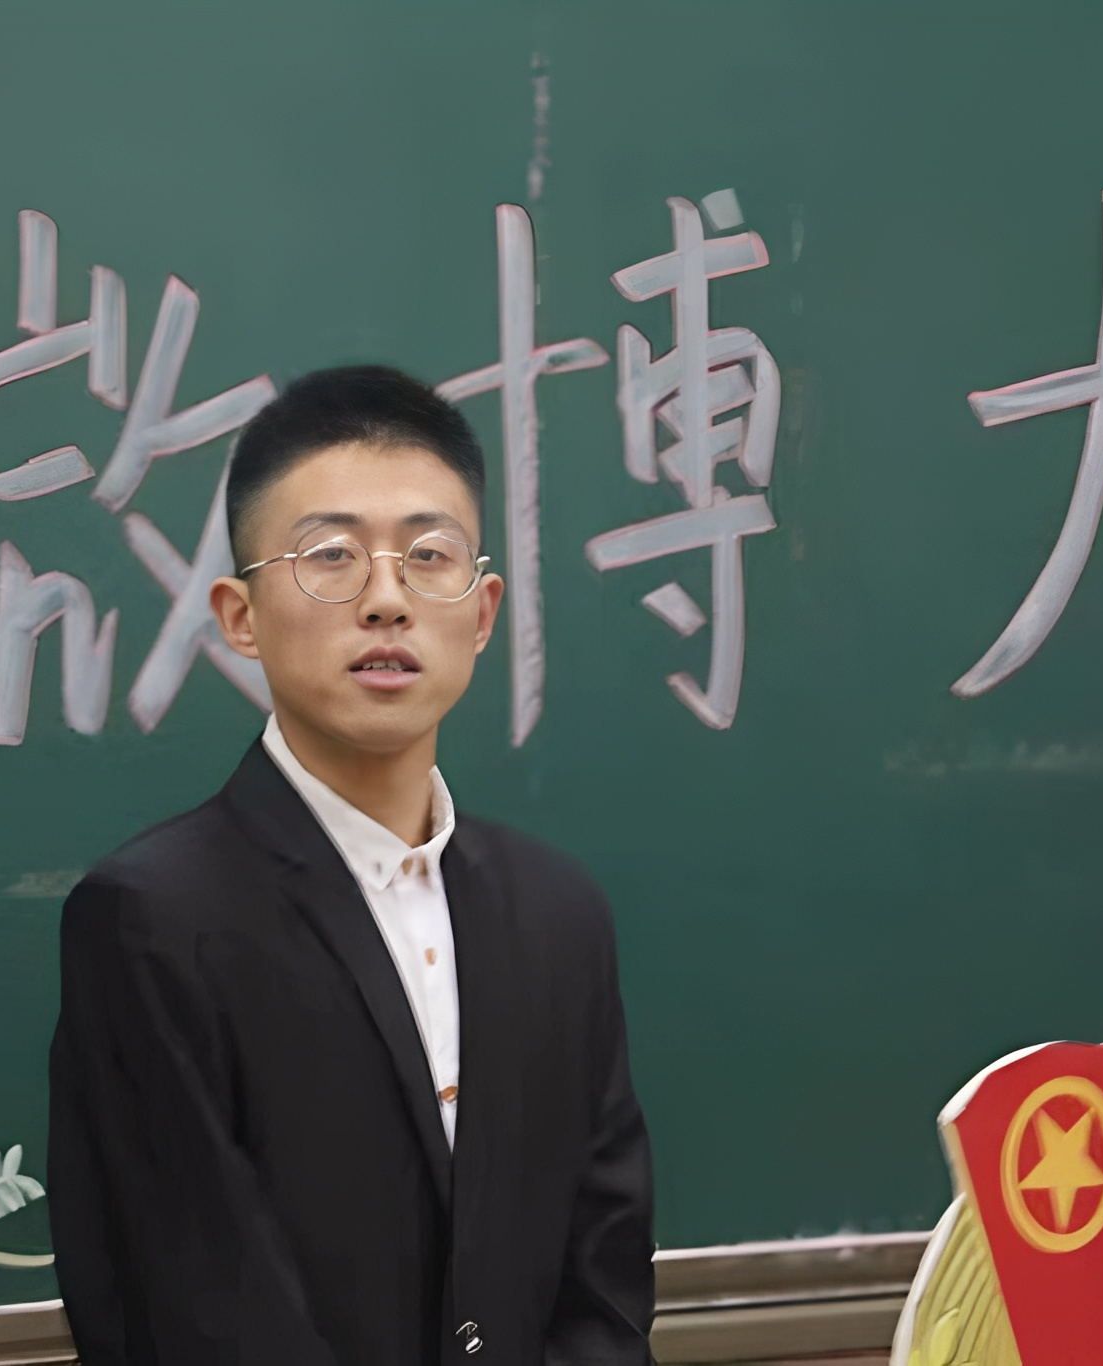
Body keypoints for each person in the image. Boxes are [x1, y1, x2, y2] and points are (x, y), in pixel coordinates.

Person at [47, 365, 655, 1366]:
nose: (385, 599)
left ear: (483, 611)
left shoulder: (558, 913)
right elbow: (192, 1312)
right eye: (330, 555)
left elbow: (604, 1287)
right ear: (238, 615)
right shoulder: (153, 921)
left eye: (428, 555)